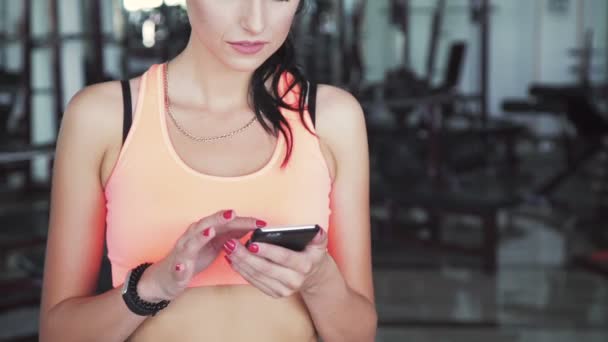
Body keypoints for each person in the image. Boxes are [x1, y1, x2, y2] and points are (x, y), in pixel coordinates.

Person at [39, 0, 376, 341]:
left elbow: (358, 334)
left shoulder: (332, 119)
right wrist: (151, 287)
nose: (255, 23)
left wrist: (318, 279)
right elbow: (58, 334)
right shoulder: (103, 118)